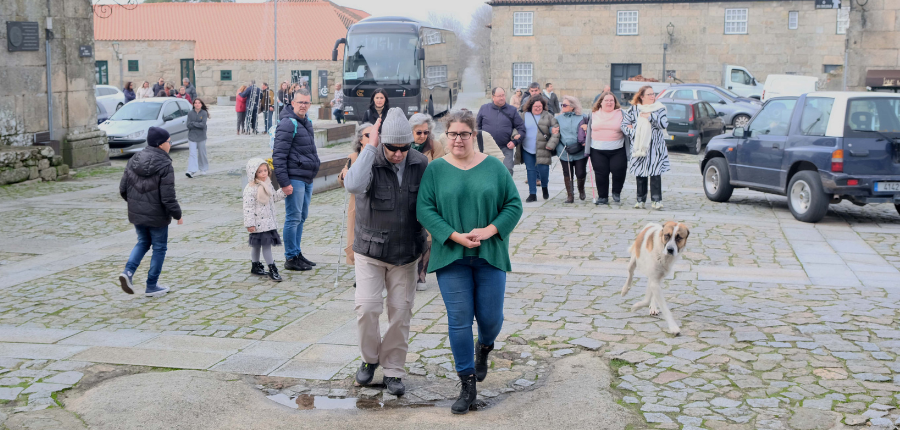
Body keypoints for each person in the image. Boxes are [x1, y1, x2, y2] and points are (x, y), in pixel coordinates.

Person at [416, 110, 523, 415]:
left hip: (490, 255)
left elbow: (513, 205)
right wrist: (453, 236)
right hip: (452, 257)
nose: (458, 140)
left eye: (464, 134)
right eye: (453, 134)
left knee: (490, 319)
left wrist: (490, 230)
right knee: (459, 319)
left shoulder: (494, 167)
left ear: (474, 135)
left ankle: (485, 346)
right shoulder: (436, 170)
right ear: (446, 136)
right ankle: (467, 384)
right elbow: (425, 209)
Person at [344, 108, 428, 398]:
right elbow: (352, 185)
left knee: (400, 312)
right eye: (392, 148)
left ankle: (393, 369)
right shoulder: (370, 159)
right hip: (370, 250)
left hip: (406, 252)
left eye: (404, 148)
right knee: (367, 307)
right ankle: (369, 358)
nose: (399, 154)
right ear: (382, 143)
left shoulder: (420, 162)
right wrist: (371, 147)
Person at [117, 126, 182, 298]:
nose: (170, 144)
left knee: (143, 242)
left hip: (137, 214)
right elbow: (168, 197)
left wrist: (136, 205)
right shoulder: (165, 164)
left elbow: (123, 189)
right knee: (159, 248)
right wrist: (177, 214)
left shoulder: (134, 159)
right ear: (160, 144)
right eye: (169, 141)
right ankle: (152, 285)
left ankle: (128, 272)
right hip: (157, 216)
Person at [273, 89, 320, 271]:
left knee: (301, 217)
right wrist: (284, 183)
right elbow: (278, 156)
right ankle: (291, 257)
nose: (303, 106)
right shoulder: (288, 123)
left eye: (306, 103)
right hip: (295, 177)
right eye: (300, 102)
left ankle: (297, 253)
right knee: (293, 218)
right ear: (293, 103)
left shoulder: (306, 122)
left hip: (307, 176)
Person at [408, 113, 444, 291]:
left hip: (428, 196)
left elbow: (440, 170)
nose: (423, 136)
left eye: (426, 132)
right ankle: (408, 273)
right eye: (419, 132)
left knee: (427, 236)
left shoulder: (435, 146)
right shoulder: (403, 146)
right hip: (407, 196)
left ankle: (421, 274)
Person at [622, 85, 669, 210]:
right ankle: (640, 200)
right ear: (642, 97)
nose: (652, 96)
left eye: (653, 94)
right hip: (639, 146)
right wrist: (634, 133)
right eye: (649, 94)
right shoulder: (634, 109)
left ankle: (656, 200)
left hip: (655, 147)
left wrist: (650, 117)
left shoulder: (659, 108)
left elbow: (663, 124)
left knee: (655, 173)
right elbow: (624, 125)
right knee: (640, 173)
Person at [338, 123, 374, 272]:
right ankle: (359, 272)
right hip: (357, 204)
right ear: (360, 139)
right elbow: (341, 180)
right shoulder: (353, 157)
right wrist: (344, 176)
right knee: (356, 237)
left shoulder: (380, 154)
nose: (372, 137)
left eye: (374, 134)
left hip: (375, 202)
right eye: (368, 135)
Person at [243, 158, 285, 282]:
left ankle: (255, 266)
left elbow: (274, 197)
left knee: (259, 245)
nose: (263, 174)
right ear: (253, 173)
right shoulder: (250, 188)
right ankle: (272, 269)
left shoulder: (267, 184)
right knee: (261, 246)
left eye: (265, 170)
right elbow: (248, 208)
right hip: (257, 223)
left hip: (268, 222)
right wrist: (250, 224)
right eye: (260, 171)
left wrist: (283, 192)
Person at [584, 91, 628, 205]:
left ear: (615, 102)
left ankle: (616, 192)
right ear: (601, 102)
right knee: (601, 173)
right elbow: (587, 128)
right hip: (597, 149)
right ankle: (602, 197)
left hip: (618, 149)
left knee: (618, 171)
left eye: (611, 100)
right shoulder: (593, 114)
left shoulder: (621, 113)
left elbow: (629, 128)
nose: (609, 102)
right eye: (606, 100)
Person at [517, 97, 559, 202]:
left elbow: (556, 132)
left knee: (543, 170)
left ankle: (544, 187)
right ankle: (532, 194)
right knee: (530, 170)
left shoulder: (548, 116)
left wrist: (551, 144)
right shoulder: (523, 115)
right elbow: (516, 128)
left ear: (543, 106)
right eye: (535, 106)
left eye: (540, 106)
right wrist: (515, 136)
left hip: (543, 148)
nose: (538, 108)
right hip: (527, 148)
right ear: (530, 106)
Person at [476, 87, 525, 176]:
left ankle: (506, 185)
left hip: (506, 147)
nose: (502, 98)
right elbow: (477, 127)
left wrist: (515, 142)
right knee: (488, 172)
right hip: (487, 147)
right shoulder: (484, 108)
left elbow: (521, 128)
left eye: (503, 95)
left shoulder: (512, 110)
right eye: (499, 96)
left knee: (507, 170)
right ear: (493, 97)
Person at [555, 96, 587, 203]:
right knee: (567, 172)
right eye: (562, 105)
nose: (562, 107)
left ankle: (581, 189)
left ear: (572, 107)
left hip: (580, 150)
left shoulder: (583, 117)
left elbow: (590, 129)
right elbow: (552, 129)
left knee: (580, 172)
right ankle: (570, 195)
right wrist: (552, 130)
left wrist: (587, 128)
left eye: (565, 105)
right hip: (564, 150)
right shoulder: (558, 118)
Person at [185, 98, 209, 178]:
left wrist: (193, 123)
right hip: (192, 136)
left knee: (202, 153)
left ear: (201, 104)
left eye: (199, 103)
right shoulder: (190, 113)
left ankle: (203, 168)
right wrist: (196, 124)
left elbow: (203, 125)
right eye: (196, 103)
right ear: (193, 104)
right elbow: (188, 125)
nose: (197, 104)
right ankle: (191, 170)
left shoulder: (204, 113)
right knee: (192, 153)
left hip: (201, 136)